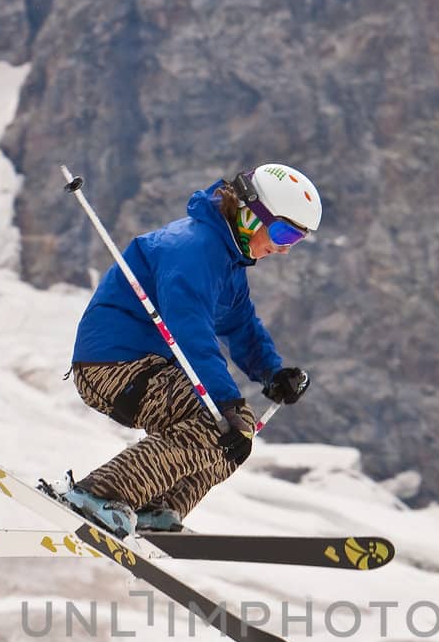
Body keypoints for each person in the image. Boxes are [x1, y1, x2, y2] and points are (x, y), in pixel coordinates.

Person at [62, 162, 321, 536]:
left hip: (147, 367)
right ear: (250, 215)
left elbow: (240, 325)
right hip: (115, 364)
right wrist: (225, 402)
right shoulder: (193, 248)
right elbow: (191, 330)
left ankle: (156, 507)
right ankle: (100, 493)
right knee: (215, 424)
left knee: (239, 433)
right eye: (281, 233)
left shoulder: (227, 262)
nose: (282, 249)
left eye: (294, 241)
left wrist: (272, 372)